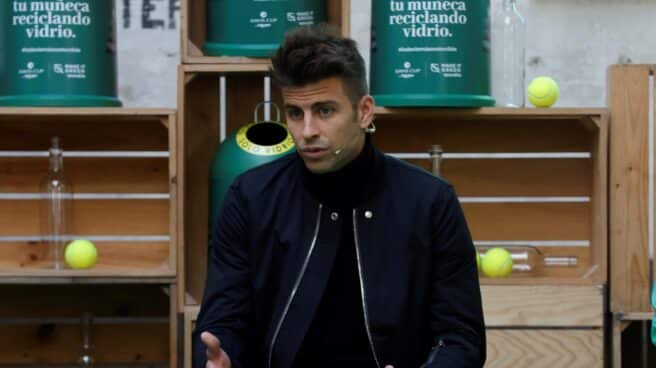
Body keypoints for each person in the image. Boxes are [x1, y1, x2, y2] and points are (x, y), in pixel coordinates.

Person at [193, 25, 485, 368]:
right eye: (295, 113)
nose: (307, 131)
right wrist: (220, 359)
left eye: (325, 111)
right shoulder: (250, 197)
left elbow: (460, 338)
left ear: (364, 111)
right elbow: (222, 320)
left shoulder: (430, 202)